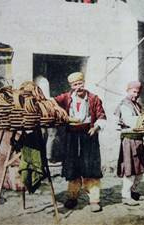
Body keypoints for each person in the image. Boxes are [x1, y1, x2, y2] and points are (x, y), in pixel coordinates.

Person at [54, 72, 106, 212]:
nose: (78, 87)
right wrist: (60, 112)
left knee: (91, 169)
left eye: (80, 83)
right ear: (71, 86)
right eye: (75, 85)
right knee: (73, 168)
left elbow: (101, 115)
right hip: (71, 136)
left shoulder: (94, 98)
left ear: (84, 83)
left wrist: (96, 127)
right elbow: (52, 102)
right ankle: (72, 197)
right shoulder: (66, 97)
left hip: (89, 135)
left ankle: (94, 200)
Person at [114, 81, 144, 206]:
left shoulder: (137, 105)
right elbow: (131, 122)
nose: (136, 94)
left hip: (138, 139)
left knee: (139, 169)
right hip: (129, 140)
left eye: (138, 92)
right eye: (134, 92)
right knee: (130, 170)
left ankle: (133, 192)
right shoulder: (124, 105)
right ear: (128, 91)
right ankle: (126, 196)